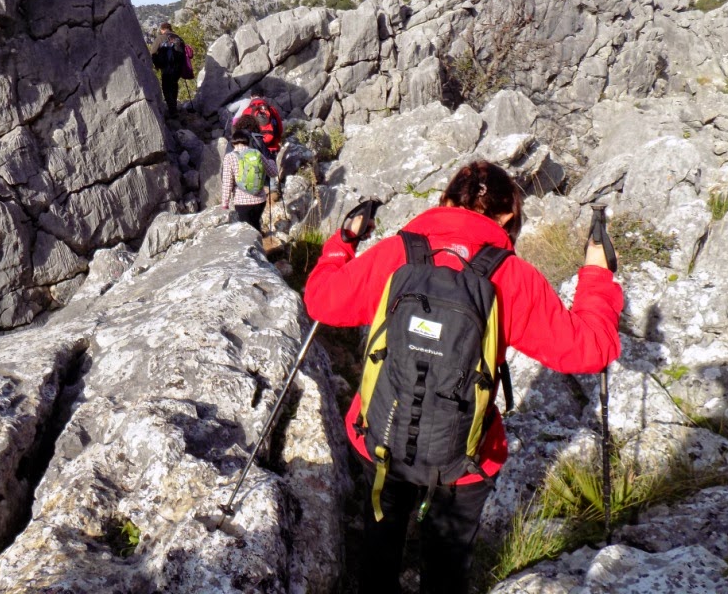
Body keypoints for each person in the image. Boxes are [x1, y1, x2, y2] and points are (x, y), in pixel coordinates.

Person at [304, 160, 623, 594]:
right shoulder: (512, 277)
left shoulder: (396, 253)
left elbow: (321, 301)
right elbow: (591, 348)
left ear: (445, 201)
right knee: (447, 570)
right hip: (465, 458)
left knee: (380, 547)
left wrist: (343, 241)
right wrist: (597, 274)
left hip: (381, 434)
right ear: (507, 217)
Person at [220, 116, 279, 232]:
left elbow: (227, 181)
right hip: (260, 199)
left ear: (234, 142)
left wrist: (225, 203)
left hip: (241, 201)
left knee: (246, 231)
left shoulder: (230, 156)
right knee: (256, 225)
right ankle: (260, 240)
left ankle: (255, 242)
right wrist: (272, 161)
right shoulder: (257, 151)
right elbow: (273, 172)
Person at [150, 22, 185, 117]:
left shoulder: (160, 38)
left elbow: (153, 53)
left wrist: (157, 65)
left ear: (162, 30)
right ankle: (174, 106)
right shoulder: (179, 39)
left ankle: (172, 110)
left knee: (166, 87)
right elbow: (184, 55)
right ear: (170, 28)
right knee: (174, 85)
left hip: (166, 67)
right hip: (178, 68)